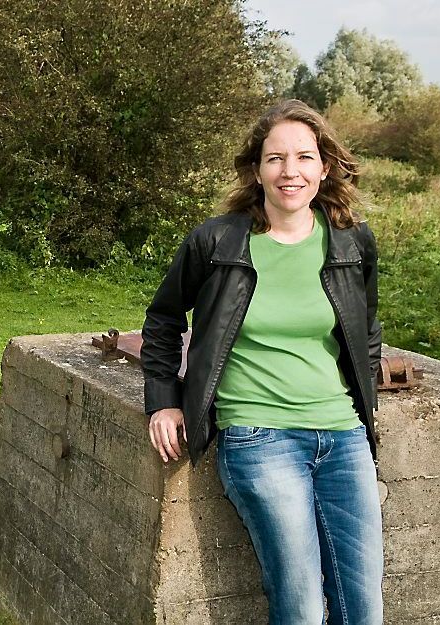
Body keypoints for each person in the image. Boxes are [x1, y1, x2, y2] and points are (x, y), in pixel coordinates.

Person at [140, 99, 383, 624]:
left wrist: (368, 412)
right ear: (256, 170)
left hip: (344, 438)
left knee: (363, 610)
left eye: (303, 157)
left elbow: (366, 331)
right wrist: (163, 402)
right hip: (259, 437)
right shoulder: (217, 241)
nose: (289, 172)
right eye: (275, 159)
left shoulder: (350, 241)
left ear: (324, 166)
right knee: (300, 608)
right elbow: (163, 320)